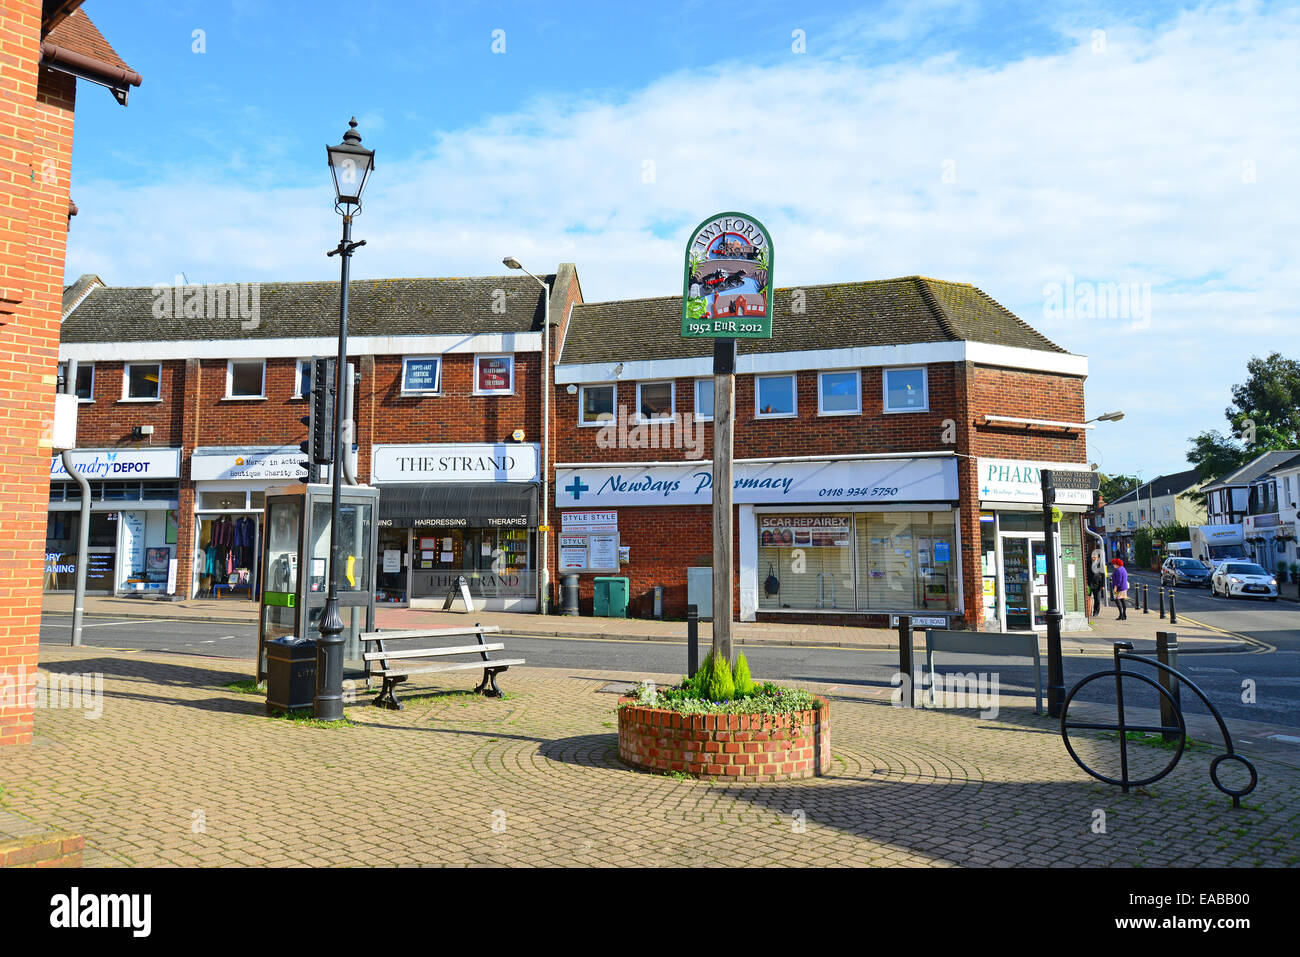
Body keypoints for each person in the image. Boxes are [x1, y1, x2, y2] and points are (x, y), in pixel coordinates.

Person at [1088, 548, 1106, 617]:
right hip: (1089, 584)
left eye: (1094, 557)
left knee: (1097, 599)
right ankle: (1088, 611)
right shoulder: (1088, 563)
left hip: (1097, 585)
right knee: (1088, 598)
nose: (1093, 558)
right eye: (1092, 557)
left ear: (1097, 557)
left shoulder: (1100, 565)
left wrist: (1103, 585)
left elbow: (1103, 575)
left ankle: (1096, 612)